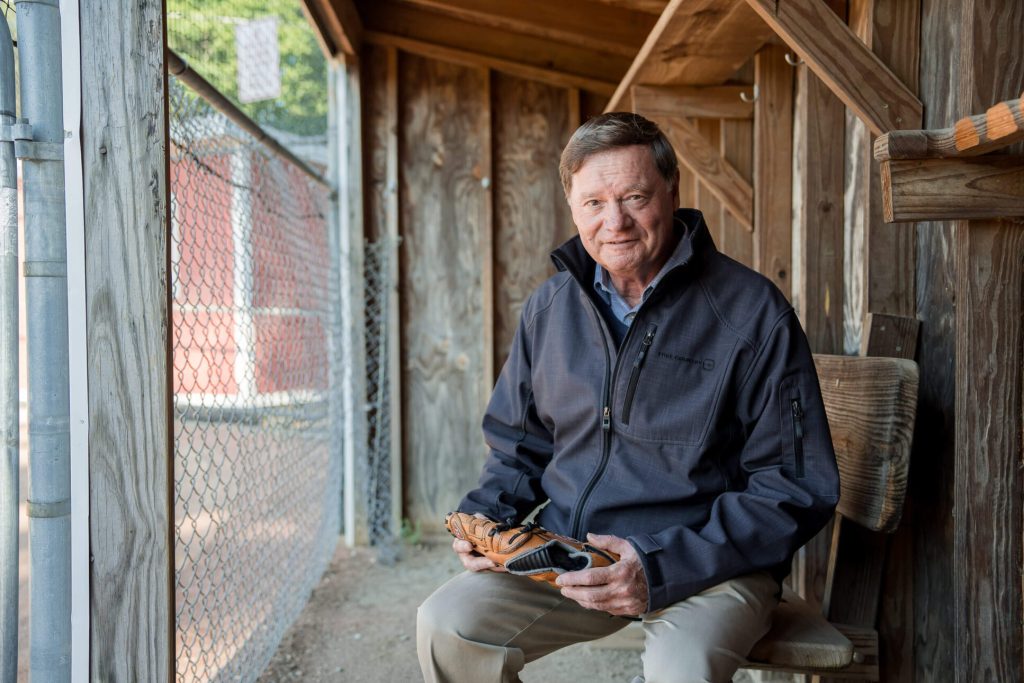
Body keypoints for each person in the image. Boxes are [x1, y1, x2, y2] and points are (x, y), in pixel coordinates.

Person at [416, 112, 839, 683]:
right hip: (572, 556)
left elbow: (793, 485)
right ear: (572, 207)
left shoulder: (752, 313)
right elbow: (518, 447)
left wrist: (664, 563)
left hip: (710, 564)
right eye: (593, 202)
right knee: (448, 625)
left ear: (672, 192)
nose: (614, 221)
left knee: (682, 671)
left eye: (634, 197)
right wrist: (486, 515)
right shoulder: (549, 309)